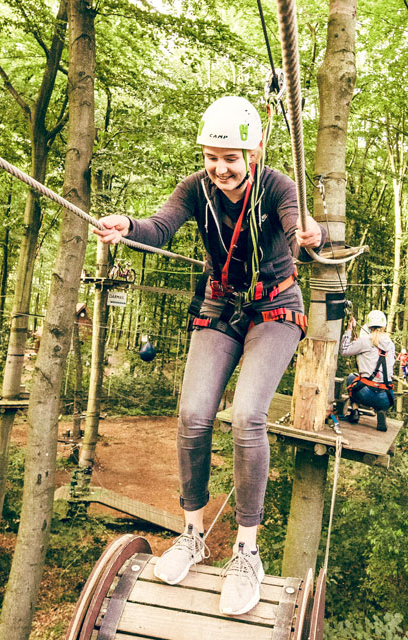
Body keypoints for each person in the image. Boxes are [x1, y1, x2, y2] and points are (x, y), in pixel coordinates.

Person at [93, 95, 326, 616]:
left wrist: (311, 235)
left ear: (255, 150)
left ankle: (247, 549)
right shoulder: (195, 189)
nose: (220, 168)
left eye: (232, 157)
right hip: (219, 304)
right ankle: (192, 534)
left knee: (247, 417)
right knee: (194, 415)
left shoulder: (278, 187)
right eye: (211, 156)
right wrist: (129, 226)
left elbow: (300, 227)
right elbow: (162, 226)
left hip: (274, 306)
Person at [340, 310, 396, 431]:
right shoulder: (391, 345)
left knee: (351, 377)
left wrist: (349, 329)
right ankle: (381, 410)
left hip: (365, 393)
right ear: (384, 326)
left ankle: (354, 410)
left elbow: (344, 350)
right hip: (386, 398)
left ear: (369, 326)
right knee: (379, 386)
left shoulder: (365, 341)